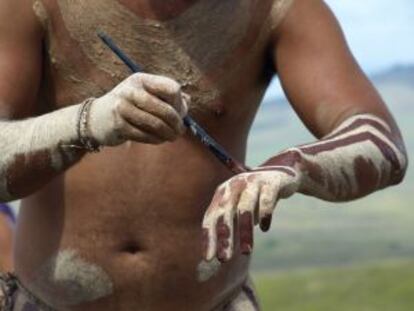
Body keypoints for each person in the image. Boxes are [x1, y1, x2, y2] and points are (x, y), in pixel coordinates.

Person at [0, 0, 408, 310]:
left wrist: (292, 167)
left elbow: (382, 144)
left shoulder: (278, 9)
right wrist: (87, 123)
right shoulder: (34, 6)